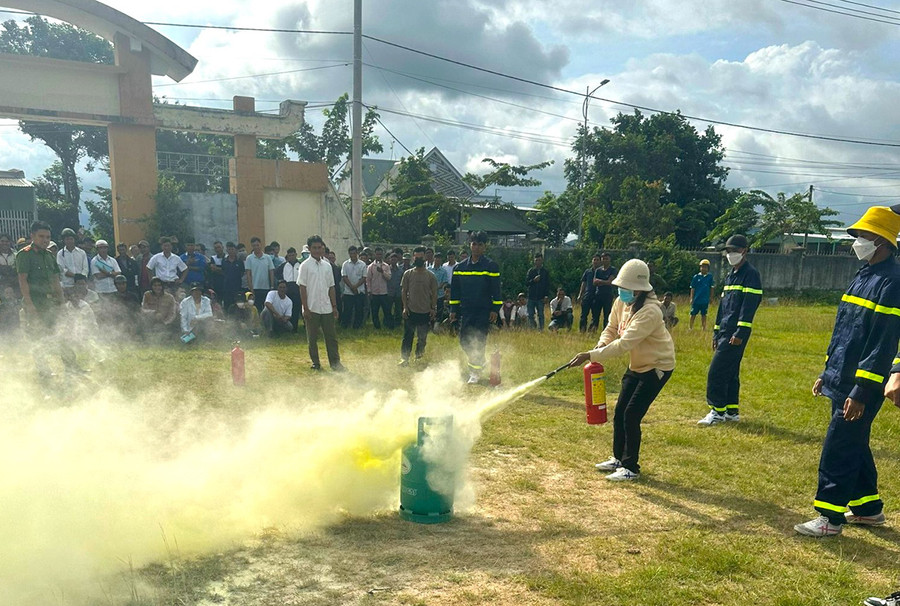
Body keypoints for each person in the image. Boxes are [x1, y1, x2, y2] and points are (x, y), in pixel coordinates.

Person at [795, 206, 900, 537]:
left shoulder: (892, 282)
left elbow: (882, 344)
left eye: (864, 236)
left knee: (840, 444)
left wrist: (861, 391)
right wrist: (827, 372)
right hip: (840, 376)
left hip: (860, 385)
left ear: (882, 241)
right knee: (854, 440)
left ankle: (829, 518)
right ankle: (868, 508)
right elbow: (846, 331)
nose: (858, 241)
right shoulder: (863, 275)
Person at [568, 259, 675, 481]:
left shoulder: (650, 312)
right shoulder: (621, 302)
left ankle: (631, 468)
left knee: (631, 414)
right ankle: (618, 458)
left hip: (657, 367)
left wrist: (590, 355)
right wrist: (599, 345)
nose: (620, 291)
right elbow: (612, 328)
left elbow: (624, 343)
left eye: (625, 287)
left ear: (638, 289)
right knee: (619, 412)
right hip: (637, 364)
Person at [698, 234, 763, 425]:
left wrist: (740, 332)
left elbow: (749, 306)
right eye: (728, 251)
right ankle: (731, 411)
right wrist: (716, 332)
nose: (730, 254)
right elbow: (723, 307)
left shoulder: (750, 274)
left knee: (716, 371)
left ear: (744, 251)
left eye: (734, 250)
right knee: (731, 371)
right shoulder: (730, 275)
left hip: (736, 333)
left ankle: (716, 411)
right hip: (725, 331)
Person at [16, 220, 81, 376]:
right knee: (39, 337)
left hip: (51, 302)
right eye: (41, 236)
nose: (45, 240)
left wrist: (62, 302)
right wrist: (30, 305)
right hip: (35, 302)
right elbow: (23, 281)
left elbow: (55, 281)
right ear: (32, 236)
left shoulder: (50, 256)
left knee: (61, 333)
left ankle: (72, 367)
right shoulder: (24, 255)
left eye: (48, 237)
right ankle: (44, 371)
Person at [449, 231, 501, 384]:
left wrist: (495, 309)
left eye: (480, 244)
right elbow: (455, 292)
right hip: (466, 310)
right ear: (470, 245)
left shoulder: (490, 266)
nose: (476, 247)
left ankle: (474, 373)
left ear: (485, 247)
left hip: (483, 311)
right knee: (464, 341)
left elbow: (496, 290)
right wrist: (453, 310)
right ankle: (479, 362)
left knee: (478, 340)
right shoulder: (459, 267)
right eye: (474, 244)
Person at [298, 235, 344, 371]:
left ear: (323, 248)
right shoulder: (304, 266)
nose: (317, 250)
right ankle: (316, 363)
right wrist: (305, 308)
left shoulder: (327, 265)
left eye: (319, 247)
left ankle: (335, 363)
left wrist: (334, 306)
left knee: (331, 338)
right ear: (310, 249)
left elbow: (331, 287)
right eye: (314, 248)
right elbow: (302, 287)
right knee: (312, 339)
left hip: (327, 307)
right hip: (312, 307)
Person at [399, 247, 437, 366]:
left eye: (421, 257)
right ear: (413, 258)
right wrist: (405, 307)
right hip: (410, 310)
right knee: (407, 336)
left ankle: (419, 358)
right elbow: (404, 291)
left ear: (425, 257)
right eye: (416, 257)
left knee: (422, 338)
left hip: (425, 311)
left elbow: (435, 294)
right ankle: (404, 359)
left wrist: (433, 308)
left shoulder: (431, 276)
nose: (418, 259)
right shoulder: (408, 274)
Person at [245, 236, 275, 314]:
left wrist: (271, 286)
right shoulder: (249, 258)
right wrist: (251, 289)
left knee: (267, 310)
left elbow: (271, 272)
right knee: (257, 310)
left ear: (260, 245)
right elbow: (248, 275)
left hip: (266, 288)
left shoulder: (267, 257)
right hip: (255, 288)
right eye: (254, 245)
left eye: (257, 245)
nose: (256, 247)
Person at [56, 227, 88, 297]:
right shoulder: (60, 254)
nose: (69, 241)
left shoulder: (82, 252)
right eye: (67, 239)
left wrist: (81, 279)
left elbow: (85, 268)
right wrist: (75, 276)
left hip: (81, 285)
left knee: (83, 305)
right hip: (67, 285)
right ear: (63, 240)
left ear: (74, 239)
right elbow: (62, 270)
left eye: (71, 239)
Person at [341, 245, 367, 329]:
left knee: (359, 310)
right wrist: (352, 287)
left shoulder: (362, 264)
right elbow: (344, 277)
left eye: (354, 253)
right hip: (348, 292)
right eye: (351, 253)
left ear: (357, 253)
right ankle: (345, 325)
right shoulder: (345, 264)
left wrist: (355, 287)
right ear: (349, 254)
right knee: (347, 310)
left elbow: (364, 278)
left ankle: (357, 326)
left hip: (359, 291)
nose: (353, 255)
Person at [366, 247, 393, 329]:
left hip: (383, 292)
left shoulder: (386, 266)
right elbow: (368, 280)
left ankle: (389, 325)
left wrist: (382, 272)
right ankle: (377, 326)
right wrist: (369, 291)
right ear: (375, 255)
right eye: (377, 254)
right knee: (374, 311)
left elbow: (389, 278)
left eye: (380, 254)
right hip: (374, 293)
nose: (379, 256)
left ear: (382, 255)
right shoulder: (371, 267)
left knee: (387, 311)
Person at [578, 253, 603, 333]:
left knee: (595, 315)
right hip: (587, 295)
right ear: (592, 261)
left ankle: (592, 331)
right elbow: (583, 283)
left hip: (597, 296)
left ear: (600, 261)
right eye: (594, 260)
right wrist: (580, 295)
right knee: (583, 314)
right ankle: (582, 330)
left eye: (597, 260)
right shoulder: (588, 271)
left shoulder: (602, 271)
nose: (595, 261)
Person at [525, 253, 550, 331]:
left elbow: (547, 285)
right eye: (536, 260)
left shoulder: (545, 272)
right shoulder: (531, 271)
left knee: (541, 315)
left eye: (539, 260)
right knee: (530, 315)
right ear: (534, 261)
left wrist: (546, 295)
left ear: (542, 260)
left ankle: (541, 329)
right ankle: (532, 329)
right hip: (531, 296)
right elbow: (526, 283)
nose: (538, 262)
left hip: (540, 297)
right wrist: (533, 280)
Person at [280, 247, 303, 330]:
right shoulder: (284, 266)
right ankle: (290, 327)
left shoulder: (300, 265)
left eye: (293, 255)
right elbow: (276, 273)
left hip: (298, 288)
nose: (291, 257)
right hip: (288, 288)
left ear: (296, 255)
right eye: (289, 255)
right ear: (287, 256)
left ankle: (299, 326)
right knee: (290, 308)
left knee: (298, 308)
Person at [219, 242, 245, 314]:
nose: (231, 251)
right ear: (227, 250)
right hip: (227, 287)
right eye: (229, 249)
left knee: (238, 305)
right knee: (227, 305)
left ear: (236, 250)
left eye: (232, 249)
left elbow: (242, 273)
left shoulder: (239, 262)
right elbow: (223, 271)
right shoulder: (224, 261)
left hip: (237, 287)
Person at [690, 259, 715, 330]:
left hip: (705, 300)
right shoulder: (696, 277)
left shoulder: (710, 277)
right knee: (693, 314)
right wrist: (691, 298)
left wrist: (711, 297)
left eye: (705, 267)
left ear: (708, 268)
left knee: (704, 314)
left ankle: (703, 327)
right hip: (696, 299)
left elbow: (712, 288)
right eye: (702, 267)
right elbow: (692, 288)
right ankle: (690, 327)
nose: (703, 268)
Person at [594, 252, 617, 328]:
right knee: (595, 314)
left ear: (610, 259)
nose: (605, 260)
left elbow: (610, 282)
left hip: (608, 295)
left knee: (607, 315)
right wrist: (604, 282)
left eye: (606, 258)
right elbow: (594, 282)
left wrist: (600, 281)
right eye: (603, 258)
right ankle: (593, 330)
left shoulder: (613, 270)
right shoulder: (598, 270)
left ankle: (606, 330)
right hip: (598, 295)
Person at [429, 251, 450, 324]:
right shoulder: (428, 269)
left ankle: (437, 325)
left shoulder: (443, 271)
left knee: (439, 311)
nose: (438, 260)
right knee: (429, 309)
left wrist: (437, 288)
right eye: (436, 258)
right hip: (430, 294)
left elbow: (444, 282)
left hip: (440, 294)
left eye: (439, 259)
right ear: (434, 259)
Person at [387, 251, 404, 328]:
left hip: (398, 293)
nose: (393, 260)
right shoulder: (387, 270)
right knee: (388, 309)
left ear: (397, 260)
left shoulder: (401, 270)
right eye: (392, 259)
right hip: (389, 292)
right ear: (389, 260)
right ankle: (388, 322)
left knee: (398, 309)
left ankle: (398, 323)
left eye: (395, 259)